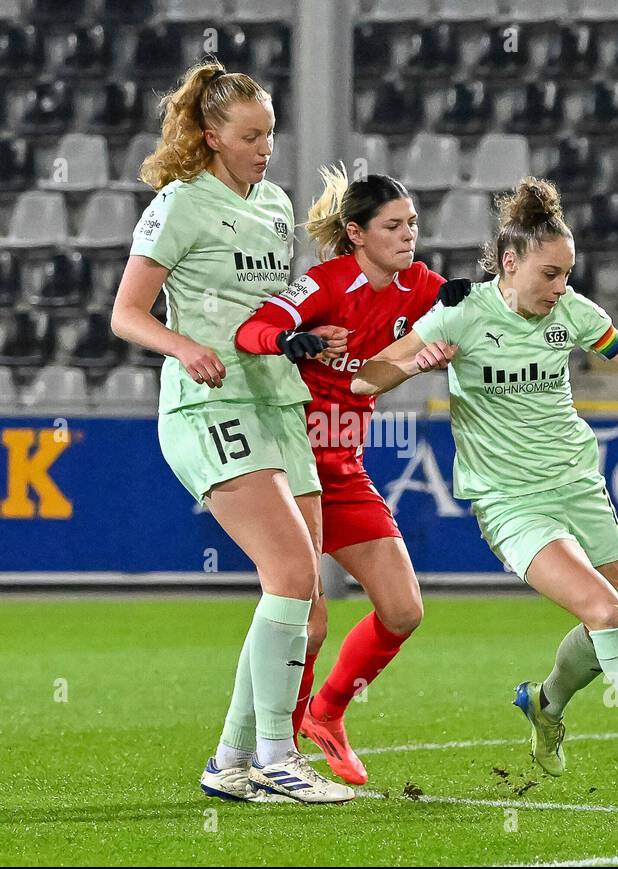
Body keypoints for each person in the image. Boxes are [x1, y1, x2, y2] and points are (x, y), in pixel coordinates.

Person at [351, 177, 618, 800]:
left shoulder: (575, 314)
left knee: (614, 622)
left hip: (577, 483)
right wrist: (413, 364)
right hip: (510, 502)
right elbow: (365, 380)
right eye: (549, 274)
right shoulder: (461, 313)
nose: (559, 287)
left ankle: (545, 704)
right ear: (509, 264)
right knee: (605, 613)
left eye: (566, 274)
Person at [110, 61, 351, 804]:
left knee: (310, 611)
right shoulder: (180, 204)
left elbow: (271, 310)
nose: (264, 148)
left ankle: (232, 760)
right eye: (250, 136)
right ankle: (279, 758)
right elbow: (126, 312)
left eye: (271, 134)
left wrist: (309, 337)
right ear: (211, 135)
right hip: (208, 408)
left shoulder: (276, 205)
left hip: (278, 403)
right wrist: (183, 346)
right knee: (289, 574)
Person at [235, 165, 471, 785]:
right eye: (393, 225)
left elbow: (471, 310)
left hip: (345, 471)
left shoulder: (418, 287)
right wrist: (294, 341)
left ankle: (327, 713)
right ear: (356, 233)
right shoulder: (326, 284)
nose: (408, 235)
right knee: (308, 622)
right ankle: (276, 755)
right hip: (292, 469)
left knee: (403, 610)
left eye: (412, 223)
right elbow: (250, 329)